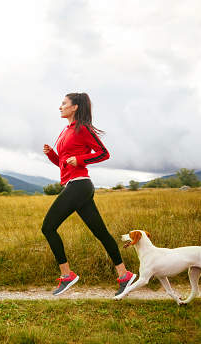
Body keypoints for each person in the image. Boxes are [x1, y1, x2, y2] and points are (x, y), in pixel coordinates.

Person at [42, 92, 136, 297]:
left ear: (74, 107)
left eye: (64, 103)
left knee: (48, 227)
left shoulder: (82, 128)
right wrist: (51, 153)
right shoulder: (65, 131)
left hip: (80, 185)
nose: (60, 106)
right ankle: (124, 275)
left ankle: (67, 276)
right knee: (101, 233)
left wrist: (81, 159)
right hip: (73, 184)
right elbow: (63, 164)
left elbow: (103, 153)